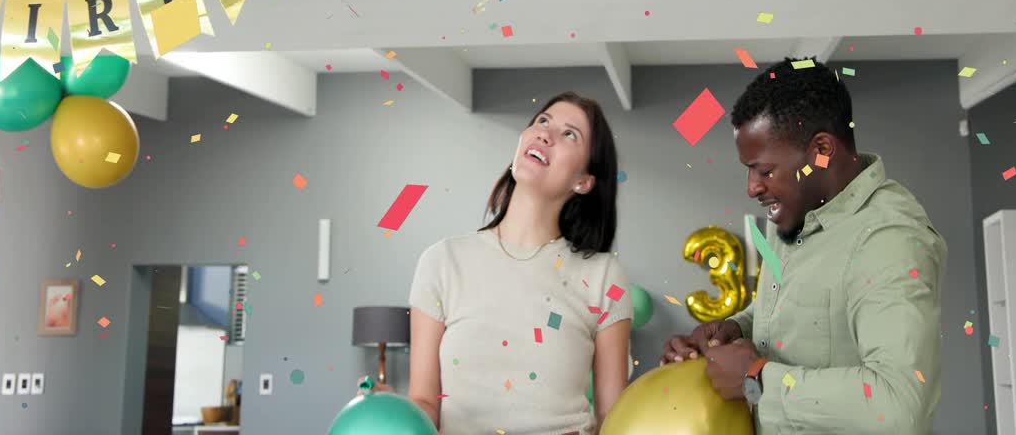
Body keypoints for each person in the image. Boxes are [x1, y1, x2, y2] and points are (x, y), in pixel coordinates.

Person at [660, 57, 947, 434]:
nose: (751, 188)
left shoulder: (888, 238)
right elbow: (800, 314)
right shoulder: (798, 211)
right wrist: (736, 329)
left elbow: (898, 404)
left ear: (821, 151)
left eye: (764, 170)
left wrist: (756, 378)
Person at [366, 92, 633, 435]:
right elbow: (426, 402)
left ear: (583, 181)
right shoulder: (442, 262)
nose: (545, 134)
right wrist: (392, 414)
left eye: (570, 134)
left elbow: (614, 421)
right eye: (542, 121)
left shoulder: (603, 275)